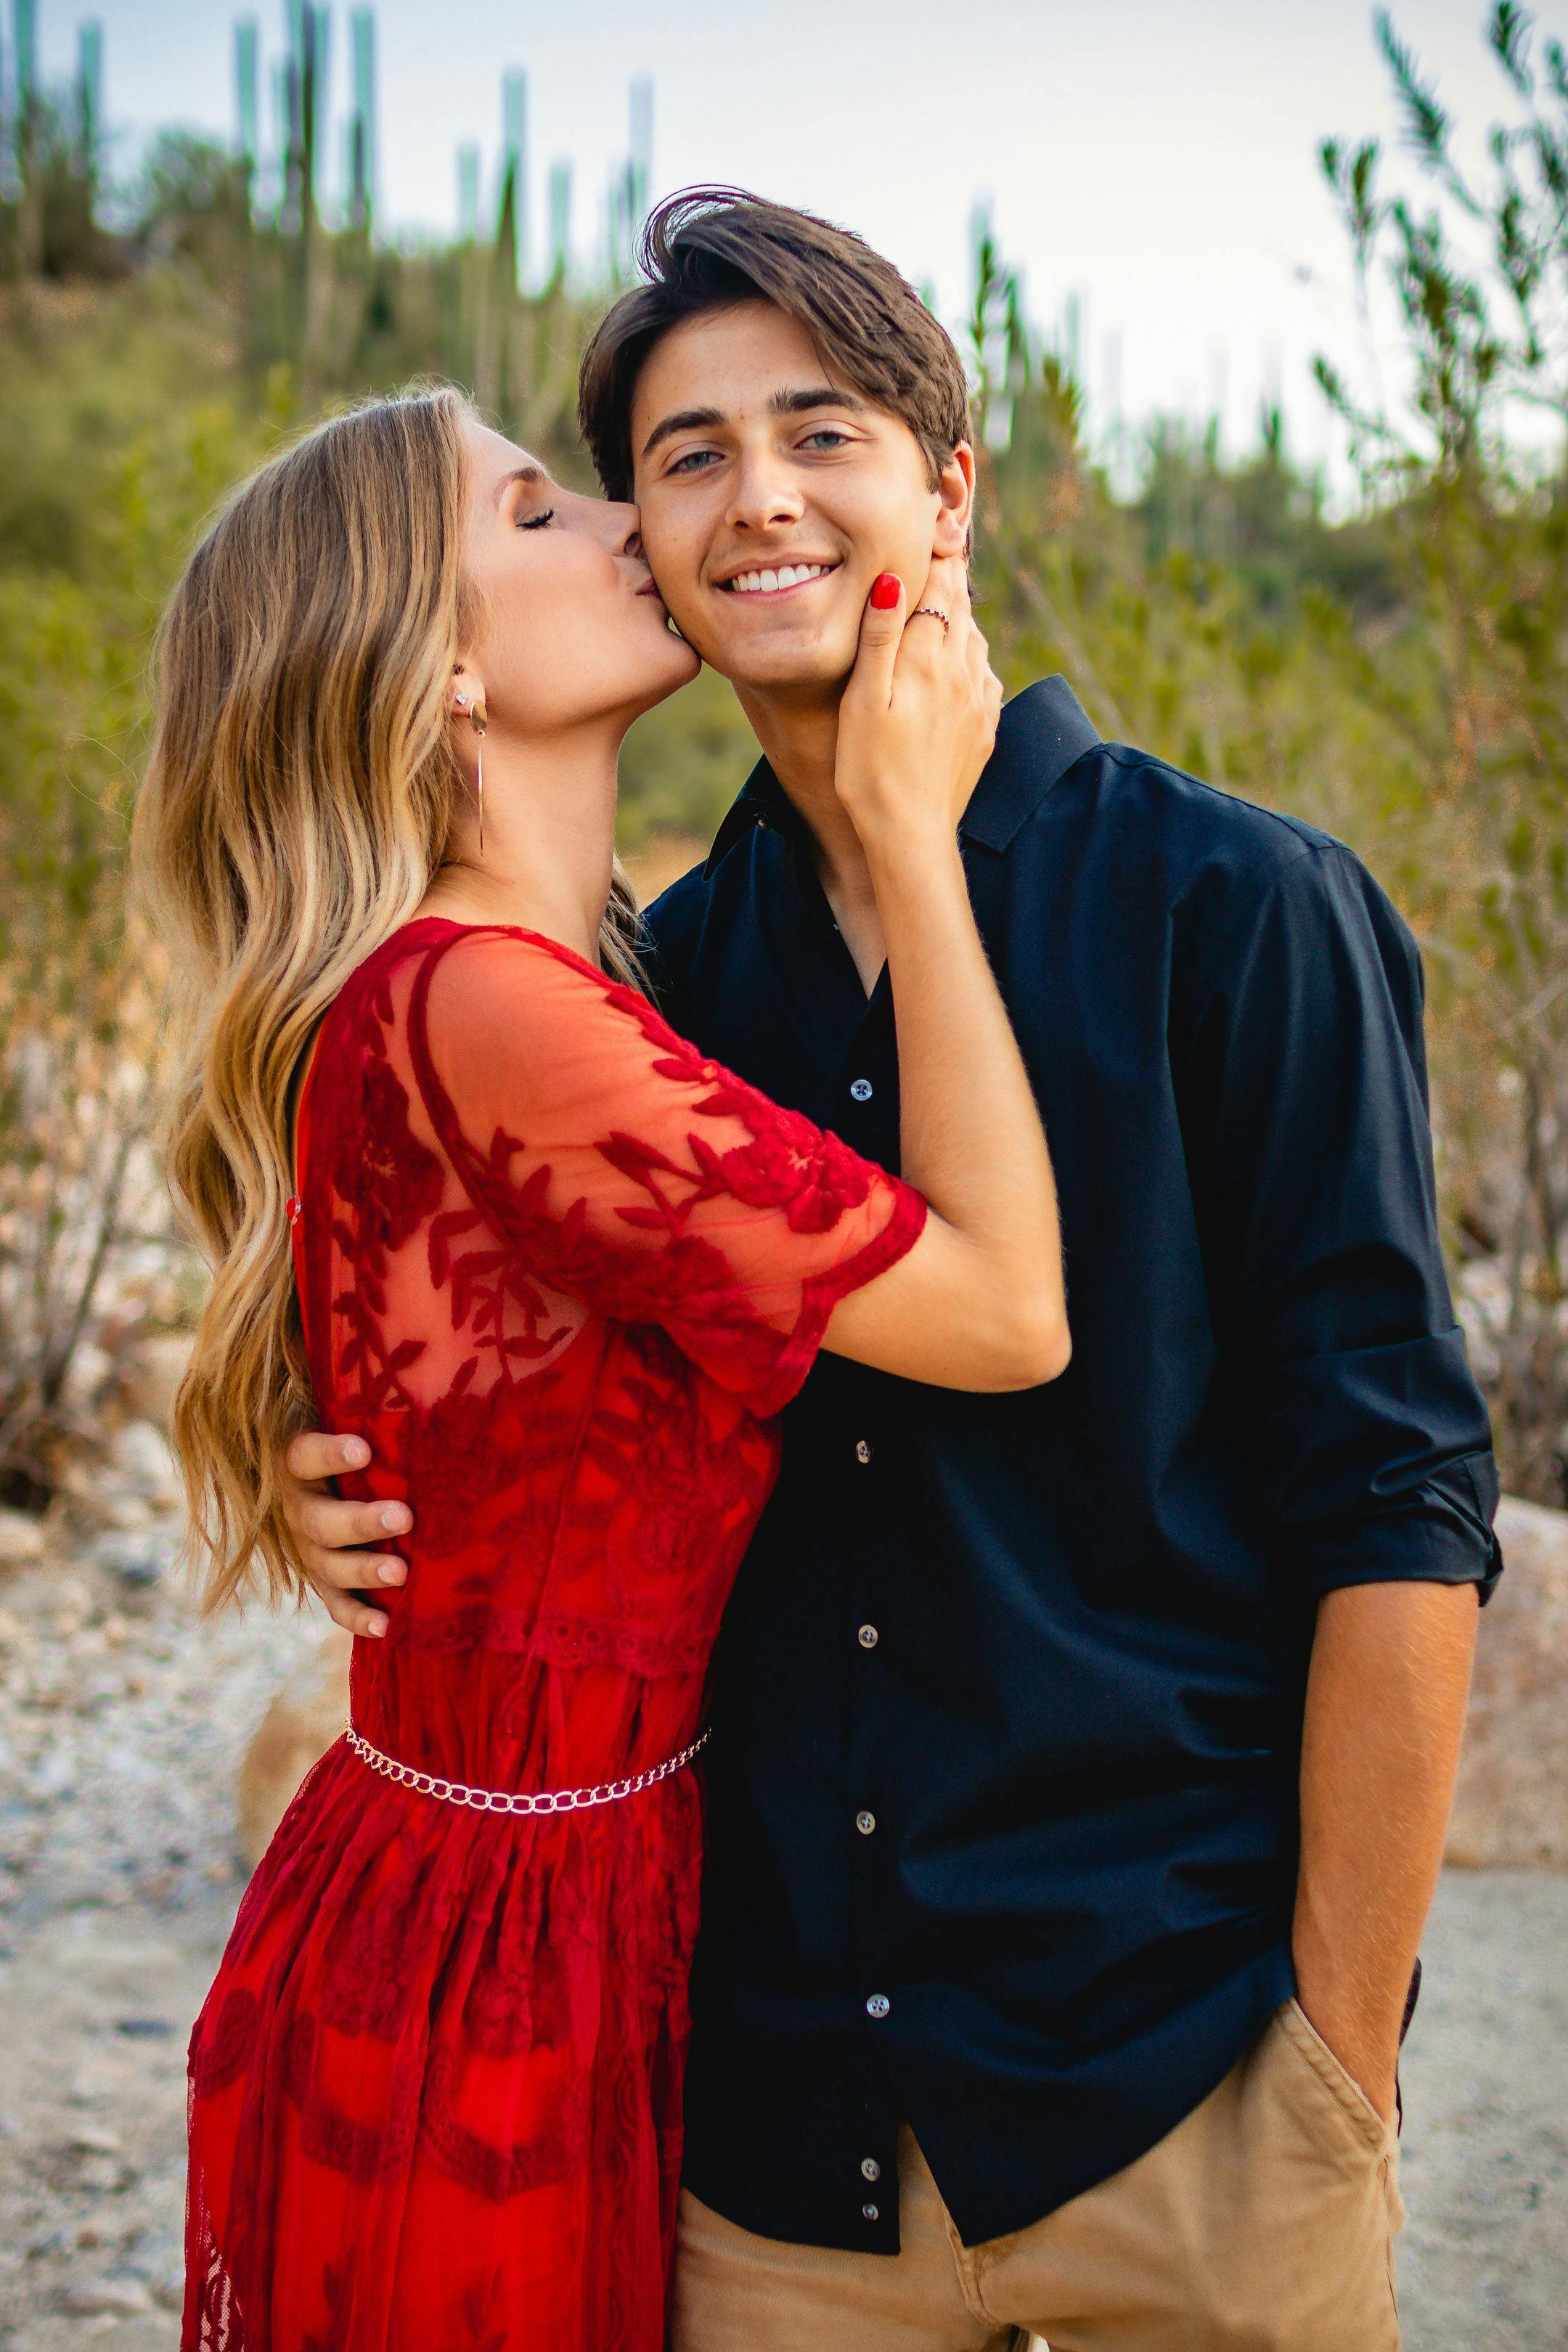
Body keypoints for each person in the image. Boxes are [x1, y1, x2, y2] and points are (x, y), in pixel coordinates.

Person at [283, 197, 1502, 2352]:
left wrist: (1340, 2052)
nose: (756, 494)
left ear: (946, 493)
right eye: (683, 455)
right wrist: (344, 1478)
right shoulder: (652, 996)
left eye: (820, 431)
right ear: (647, 547)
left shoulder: (1235, 907)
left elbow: (1397, 1505)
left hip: (1185, 2085)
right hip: (772, 2150)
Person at [133, 383, 1071, 2352]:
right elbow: (1004, 1314)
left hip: (557, 1900)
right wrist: (916, 836)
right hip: (496, 1948)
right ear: (442, 666)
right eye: (539, 513)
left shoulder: (562, 987)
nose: (627, 526)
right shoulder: (488, 1008)